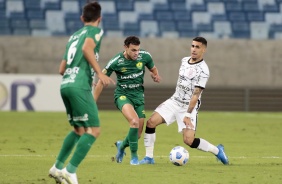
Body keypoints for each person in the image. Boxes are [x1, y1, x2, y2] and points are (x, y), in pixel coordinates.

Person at [48, 2, 115, 184]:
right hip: (79, 87)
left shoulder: (73, 36)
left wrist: (82, 73)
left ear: (81, 18)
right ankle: (70, 171)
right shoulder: (96, 32)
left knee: (78, 129)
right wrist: (99, 73)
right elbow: (87, 48)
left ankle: (57, 167)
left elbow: (62, 68)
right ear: (99, 19)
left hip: (66, 85)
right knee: (94, 130)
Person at [139, 36, 229, 165]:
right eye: (192, 46)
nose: (194, 49)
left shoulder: (203, 70)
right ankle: (148, 158)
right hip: (174, 101)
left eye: (197, 47)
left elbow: (196, 95)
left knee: (188, 140)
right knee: (151, 122)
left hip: (188, 106)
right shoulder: (184, 60)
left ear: (204, 50)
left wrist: (187, 115)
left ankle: (217, 150)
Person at [94, 36, 161, 165]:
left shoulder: (145, 56)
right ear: (125, 48)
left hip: (138, 96)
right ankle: (134, 158)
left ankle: (122, 145)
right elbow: (101, 81)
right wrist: (93, 102)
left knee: (137, 134)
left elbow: (153, 69)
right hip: (123, 96)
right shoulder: (116, 61)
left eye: (138, 50)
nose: (136, 53)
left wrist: (155, 76)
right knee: (134, 122)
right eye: (133, 50)